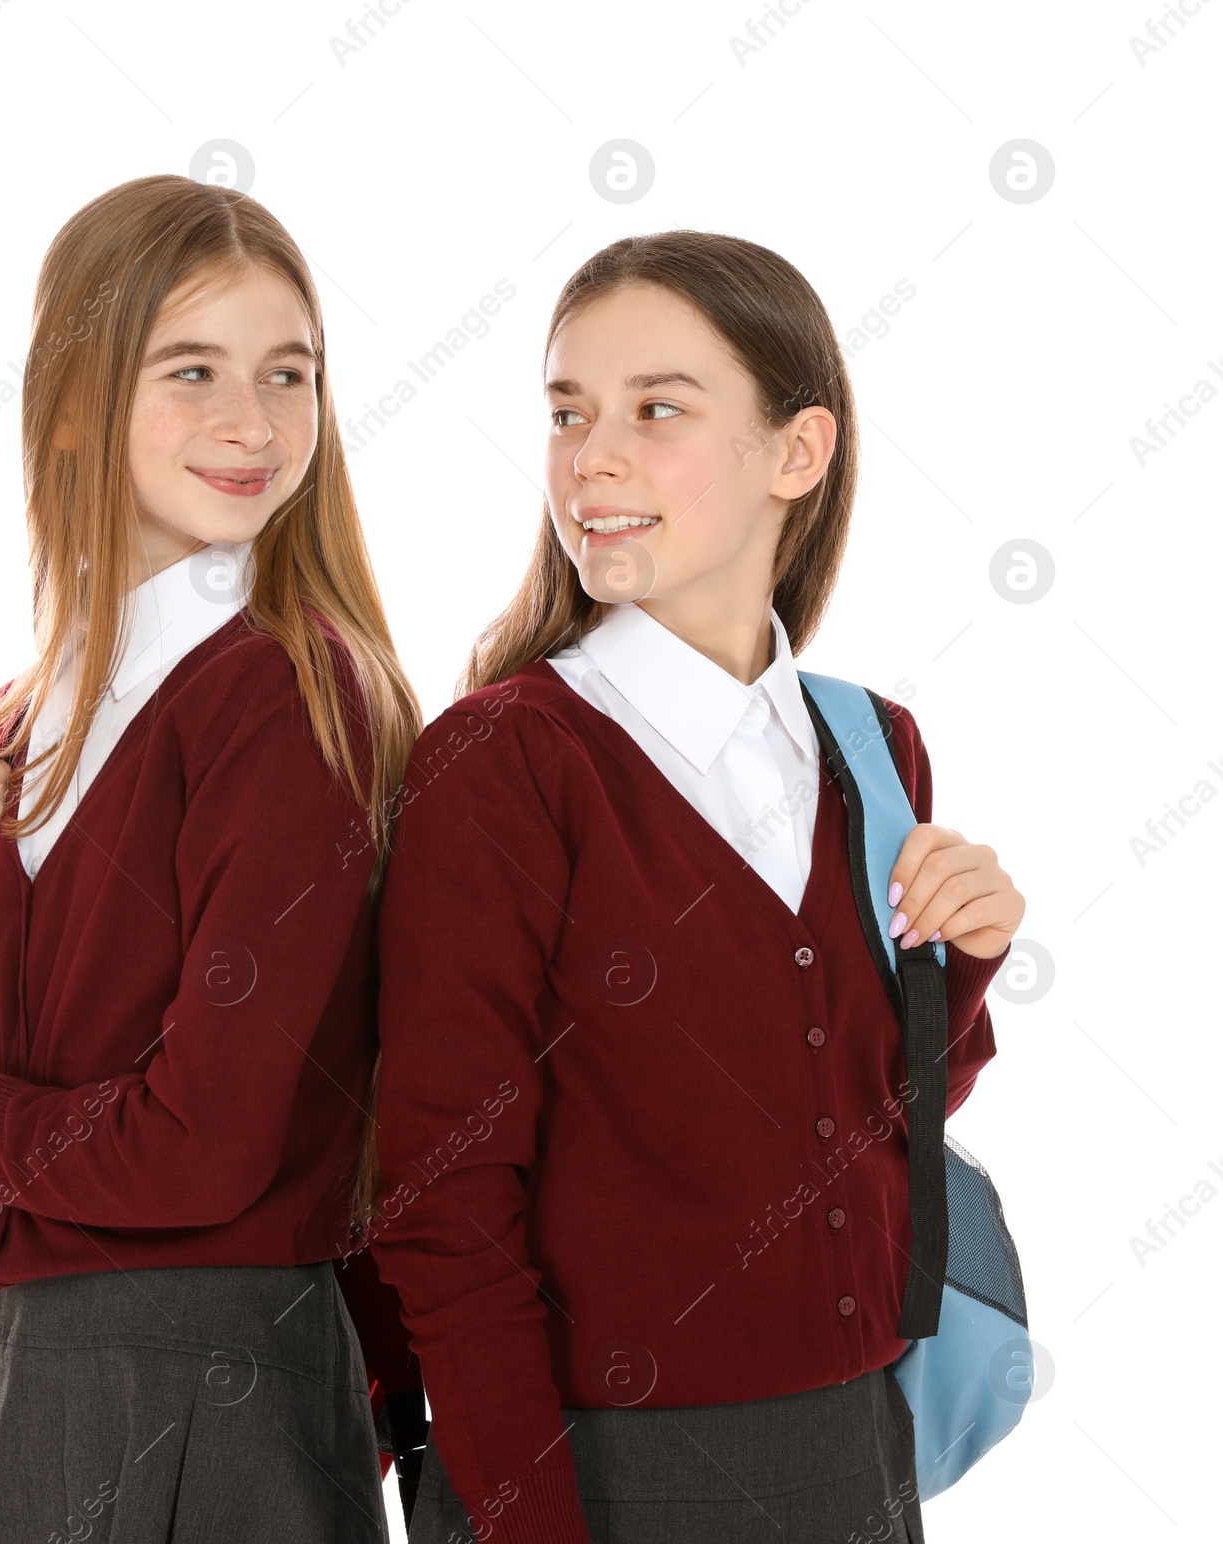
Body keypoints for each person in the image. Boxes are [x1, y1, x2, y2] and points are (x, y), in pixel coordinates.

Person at [366, 231, 1026, 1544]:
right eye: (568, 413)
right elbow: (441, 1203)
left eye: (654, 410)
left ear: (797, 452)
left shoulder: (871, 745)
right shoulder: (506, 763)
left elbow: (880, 1116)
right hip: (599, 1477)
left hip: (857, 1457)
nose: (589, 459)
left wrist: (969, 951)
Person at [0, 173, 421, 1543]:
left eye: (291, 374)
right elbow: (115, 1033)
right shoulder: (25, 714)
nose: (253, 422)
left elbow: (206, 1143)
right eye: (194, 371)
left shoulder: (283, 692)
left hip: (200, 1388)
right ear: (69, 412)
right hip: (26, 1363)